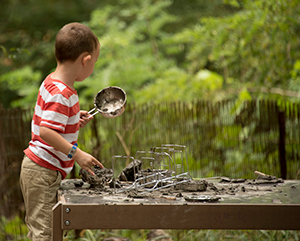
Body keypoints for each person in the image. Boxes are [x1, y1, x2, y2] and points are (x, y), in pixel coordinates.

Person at [20, 22, 103, 241]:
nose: (93, 65)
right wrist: (77, 154)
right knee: (45, 235)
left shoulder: (52, 81)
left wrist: (73, 120)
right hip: (41, 172)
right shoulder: (62, 95)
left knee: (49, 231)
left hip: (41, 171)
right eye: (94, 61)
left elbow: (55, 121)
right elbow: (46, 131)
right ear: (85, 60)